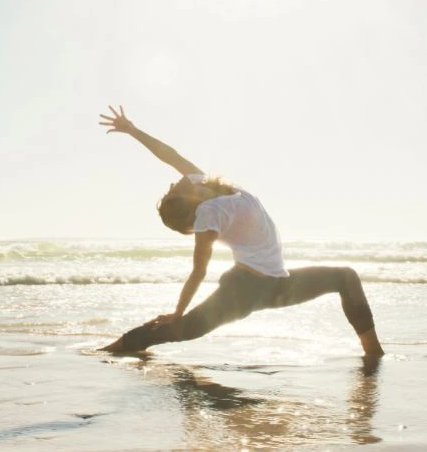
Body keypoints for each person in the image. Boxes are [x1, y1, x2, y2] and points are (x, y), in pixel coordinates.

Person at [98, 105, 384, 357]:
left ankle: (374, 354)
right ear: (184, 205)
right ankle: (119, 347)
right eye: (172, 191)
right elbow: (198, 270)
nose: (173, 184)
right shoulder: (209, 213)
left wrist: (133, 130)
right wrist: (178, 311)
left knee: (346, 277)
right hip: (244, 290)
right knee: (181, 329)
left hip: (278, 285)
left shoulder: (206, 187)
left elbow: (169, 155)